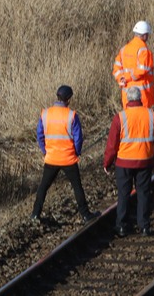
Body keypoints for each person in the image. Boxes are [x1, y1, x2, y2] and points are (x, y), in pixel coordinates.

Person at [31, 85, 99, 224]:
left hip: (51, 159)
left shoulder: (45, 114)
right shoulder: (72, 115)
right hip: (68, 159)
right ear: (68, 99)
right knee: (77, 187)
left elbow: (39, 135)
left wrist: (45, 151)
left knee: (43, 187)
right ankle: (85, 215)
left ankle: (35, 214)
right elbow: (78, 137)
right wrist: (77, 152)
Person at [104, 87, 154, 237]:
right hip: (145, 160)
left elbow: (112, 144)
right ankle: (144, 226)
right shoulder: (151, 114)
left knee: (123, 194)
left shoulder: (120, 117)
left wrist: (107, 162)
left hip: (124, 162)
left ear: (127, 99)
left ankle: (122, 226)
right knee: (143, 193)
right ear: (140, 98)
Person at [112, 20, 154, 108]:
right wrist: (128, 77)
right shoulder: (144, 50)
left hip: (126, 95)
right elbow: (143, 70)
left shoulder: (124, 49)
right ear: (144, 35)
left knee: (129, 119)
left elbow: (116, 68)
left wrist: (121, 78)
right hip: (142, 96)